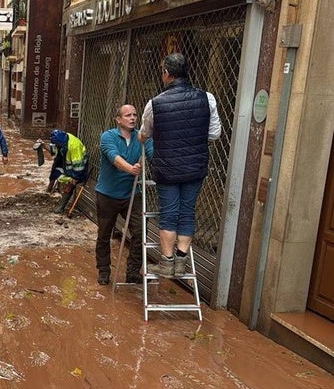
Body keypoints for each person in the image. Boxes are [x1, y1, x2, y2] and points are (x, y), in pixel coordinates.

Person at [138, 52, 221, 278]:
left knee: (168, 214)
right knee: (187, 212)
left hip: (167, 168)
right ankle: (182, 261)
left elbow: (145, 133)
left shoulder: (155, 103)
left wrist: (144, 138)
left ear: (166, 73)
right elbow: (214, 133)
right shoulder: (208, 98)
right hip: (195, 166)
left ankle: (166, 263)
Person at [95, 104, 153, 285]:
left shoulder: (142, 137)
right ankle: (104, 271)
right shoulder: (108, 136)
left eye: (135, 115)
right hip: (107, 194)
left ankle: (133, 272)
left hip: (132, 194)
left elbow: (154, 155)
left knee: (141, 231)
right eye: (128, 115)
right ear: (118, 119)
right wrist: (131, 169)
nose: (133, 118)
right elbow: (114, 158)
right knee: (105, 233)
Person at [38, 129, 89, 214]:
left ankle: (61, 206)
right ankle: (56, 191)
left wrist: (73, 180)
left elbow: (78, 167)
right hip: (65, 161)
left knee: (69, 185)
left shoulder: (74, 147)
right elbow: (54, 150)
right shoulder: (63, 138)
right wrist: (43, 146)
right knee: (56, 174)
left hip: (77, 167)